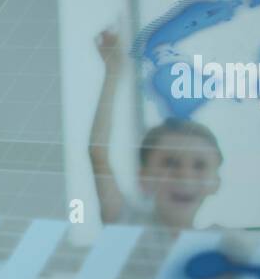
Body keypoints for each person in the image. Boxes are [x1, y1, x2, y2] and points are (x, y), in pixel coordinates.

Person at [89, 27, 223, 230]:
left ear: (215, 183)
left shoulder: (219, 243)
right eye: (170, 163)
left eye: (200, 166)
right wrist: (113, 72)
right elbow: (98, 153)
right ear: (143, 178)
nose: (185, 175)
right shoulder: (127, 223)